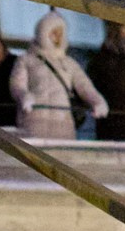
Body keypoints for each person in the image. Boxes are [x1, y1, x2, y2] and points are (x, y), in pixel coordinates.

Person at [11, 11, 106, 143]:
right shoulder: (26, 59)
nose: (58, 37)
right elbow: (17, 84)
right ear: (43, 33)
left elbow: (84, 86)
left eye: (61, 33)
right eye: (54, 32)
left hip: (63, 125)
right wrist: (24, 96)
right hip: (34, 122)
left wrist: (98, 101)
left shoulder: (69, 63)